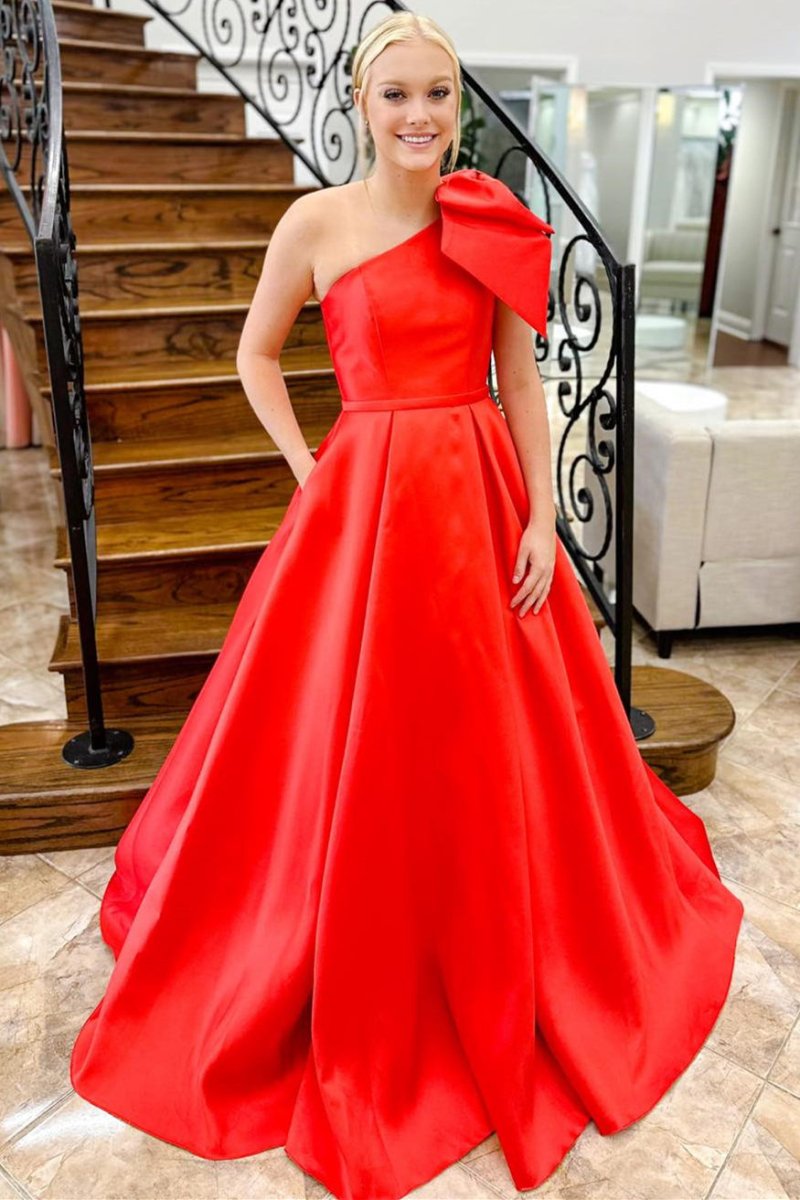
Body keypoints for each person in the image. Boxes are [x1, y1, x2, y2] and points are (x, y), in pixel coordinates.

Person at [69, 11, 744, 1200]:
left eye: (438, 92)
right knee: (347, 737)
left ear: (458, 105)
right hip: (362, 503)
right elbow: (255, 354)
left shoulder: (487, 214)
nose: (420, 114)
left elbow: (518, 379)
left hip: (477, 497)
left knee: (496, 739)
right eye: (397, 94)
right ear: (360, 102)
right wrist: (308, 467)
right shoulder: (315, 222)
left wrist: (541, 516)